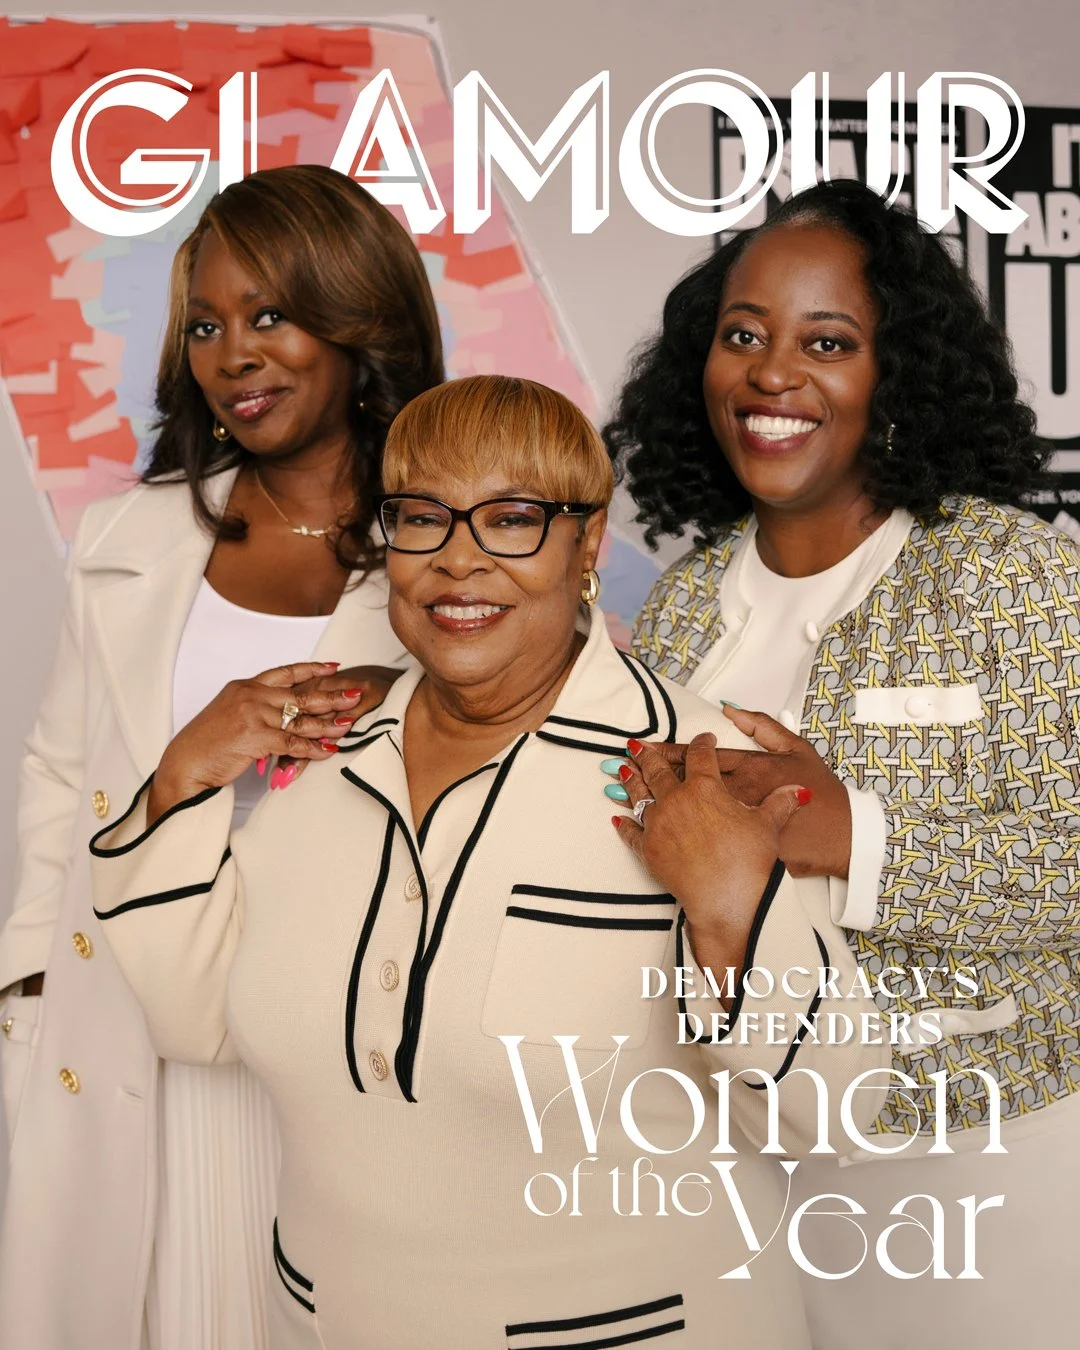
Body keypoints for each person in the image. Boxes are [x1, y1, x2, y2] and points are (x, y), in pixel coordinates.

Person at [89, 375, 891, 1350]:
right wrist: (182, 777)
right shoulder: (326, 746)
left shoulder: (699, 768)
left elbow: (838, 1114)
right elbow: (194, 1019)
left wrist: (735, 903)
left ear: (586, 544)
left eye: (511, 520)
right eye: (421, 518)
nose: (458, 560)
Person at [602, 178, 1080, 1344]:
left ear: (896, 375)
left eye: (828, 343)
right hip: (741, 1160)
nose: (773, 374)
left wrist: (844, 832)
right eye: (743, 336)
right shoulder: (679, 609)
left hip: (988, 1160)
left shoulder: (1010, 576)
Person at [0, 164, 444, 1350]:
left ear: (358, 319)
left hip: (344, 1047)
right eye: (205, 325)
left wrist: (401, 704)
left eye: (272, 315)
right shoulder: (129, 534)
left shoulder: (454, 545)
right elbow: (60, 779)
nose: (233, 354)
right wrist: (26, 993)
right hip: (133, 1043)